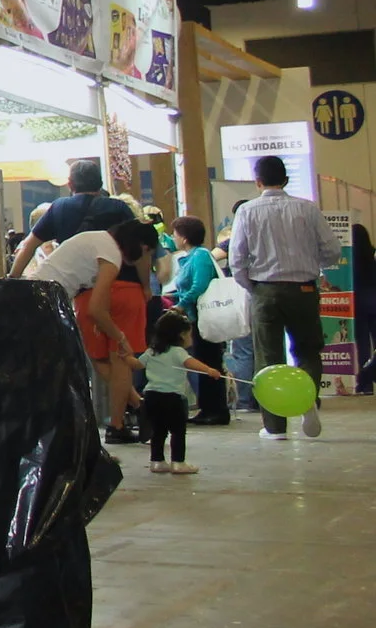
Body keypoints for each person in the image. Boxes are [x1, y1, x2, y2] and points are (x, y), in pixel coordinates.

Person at [225, 154, 340, 441]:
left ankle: (275, 427)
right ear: (286, 180)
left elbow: (237, 258)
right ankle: (308, 401)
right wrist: (315, 264)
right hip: (303, 288)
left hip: (265, 290)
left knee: (268, 357)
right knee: (307, 350)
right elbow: (333, 250)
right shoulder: (307, 209)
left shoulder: (247, 211)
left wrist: (253, 287)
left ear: (258, 181)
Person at [27, 218, 160, 442]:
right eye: (146, 251)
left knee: (86, 364)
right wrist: (120, 337)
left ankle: (138, 406)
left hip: (39, 298)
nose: (144, 258)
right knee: (68, 373)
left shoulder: (97, 239)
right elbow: (96, 309)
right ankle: (73, 440)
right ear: (139, 244)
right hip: (44, 305)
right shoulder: (112, 256)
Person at [7, 160, 137, 276]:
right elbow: (140, 246)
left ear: (70, 184)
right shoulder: (119, 207)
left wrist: (12, 279)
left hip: (78, 289)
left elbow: (28, 246)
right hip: (119, 282)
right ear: (100, 183)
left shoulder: (59, 207)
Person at [139, 310, 225, 475]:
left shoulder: (152, 351)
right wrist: (209, 370)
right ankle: (178, 462)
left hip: (151, 396)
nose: (190, 338)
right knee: (178, 431)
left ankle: (157, 462)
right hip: (173, 398)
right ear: (180, 335)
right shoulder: (178, 352)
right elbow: (191, 363)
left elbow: (137, 364)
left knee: (158, 431)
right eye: (189, 334)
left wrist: (125, 356)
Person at [167, 216, 230, 425]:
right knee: (202, 362)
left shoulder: (200, 256)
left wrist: (181, 304)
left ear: (184, 238)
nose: (174, 238)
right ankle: (207, 407)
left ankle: (217, 409)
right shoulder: (189, 257)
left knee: (209, 362)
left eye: (176, 235)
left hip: (205, 318)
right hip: (194, 318)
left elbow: (199, 285)